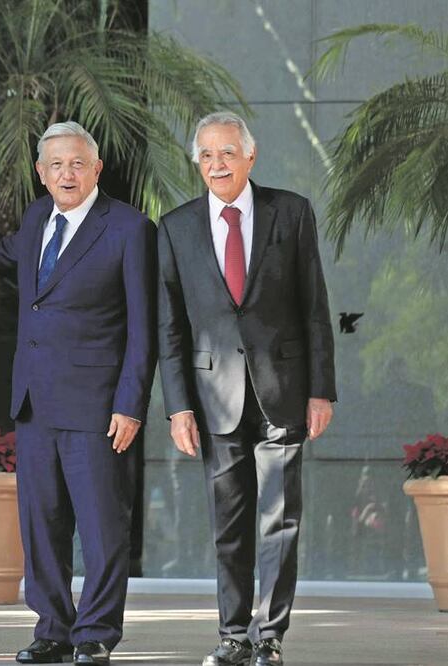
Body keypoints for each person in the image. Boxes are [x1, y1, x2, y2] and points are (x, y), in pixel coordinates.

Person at [0, 120, 156, 665]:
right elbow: (5, 258)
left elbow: (144, 327)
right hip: (35, 402)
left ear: (96, 168)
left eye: (77, 163)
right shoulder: (36, 218)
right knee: (42, 525)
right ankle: (52, 628)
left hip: (97, 406)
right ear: (40, 173)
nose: (66, 173)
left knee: (101, 529)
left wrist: (130, 403)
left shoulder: (129, 228)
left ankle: (94, 633)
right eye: (55, 165)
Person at [157, 111, 336, 666]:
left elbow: (314, 310)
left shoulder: (291, 212)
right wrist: (178, 406)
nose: (217, 164)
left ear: (250, 157)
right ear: (197, 162)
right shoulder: (176, 227)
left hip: (283, 391)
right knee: (228, 525)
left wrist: (321, 391)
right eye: (207, 155)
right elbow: (170, 326)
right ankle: (233, 635)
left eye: (228, 153)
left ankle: (270, 637)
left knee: (280, 522)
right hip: (214, 400)